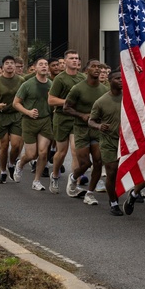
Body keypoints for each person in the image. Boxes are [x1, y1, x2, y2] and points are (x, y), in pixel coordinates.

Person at [63, 60, 107, 201]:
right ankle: (74, 177)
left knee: (98, 161)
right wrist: (81, 115)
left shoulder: (104, 90)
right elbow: (66, 107)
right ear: (86, 70)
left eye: (99, 67)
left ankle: (90, 193)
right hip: (81, 129)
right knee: (85, 164)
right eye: (93, 66)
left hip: (97, 130)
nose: (97, 69)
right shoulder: (78, 88)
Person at [86, 70, 124, 213]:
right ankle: (113, 202)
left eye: (122, 78)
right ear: (109, 81)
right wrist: (98, 126)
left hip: (125, 141)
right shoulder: (101, 101)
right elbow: (91, 120)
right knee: (112, 171)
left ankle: (131, 194)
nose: (120, 81)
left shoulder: (129, 98)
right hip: (108, 141)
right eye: (117, 78)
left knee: (123, 171)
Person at [13, 57, 53, 191]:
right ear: (35, 68)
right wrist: (28, 112)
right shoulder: (27, 84)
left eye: (46, 64)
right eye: (40, 64)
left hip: (45, 121)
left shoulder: (51, 85)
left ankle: (36, 180)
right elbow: (16, 103)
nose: (44, 66)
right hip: (29, 121)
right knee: (31, 155)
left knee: (42, 153)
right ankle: (20, 164)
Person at [48, 50, 84, 194]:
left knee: (76, 152)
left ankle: (75, 183)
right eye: (71, 58)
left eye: (76, 58)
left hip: (76, 118)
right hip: (62, 118)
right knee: (61, 152)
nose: (75, 61)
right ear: (65, 61)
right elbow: (51, 100)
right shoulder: (60, 79)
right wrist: (68, 102)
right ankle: (55, 174)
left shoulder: (83, 78)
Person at [0, 55, 24, 183]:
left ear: (15, 66)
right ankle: (3, 171)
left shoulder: (21, 80)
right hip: (1, 115)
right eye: (7, 63)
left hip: (16, 115)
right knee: (4, 145)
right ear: (2, 66)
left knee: (15, 145)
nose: (9, 65)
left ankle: (11, 164)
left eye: (12, 63)